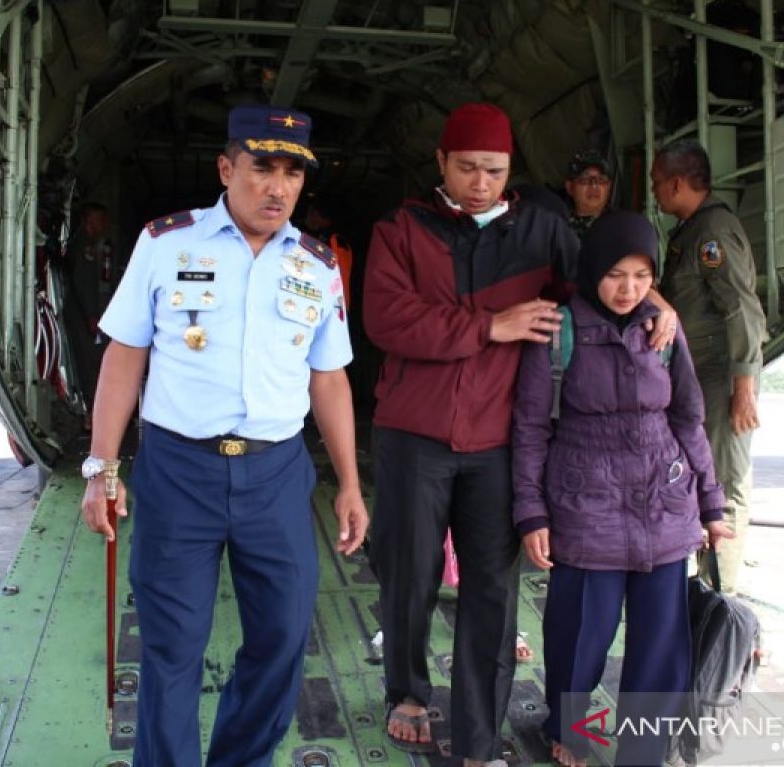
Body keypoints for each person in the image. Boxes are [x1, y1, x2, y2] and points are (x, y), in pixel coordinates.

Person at [363, 102, 677, 766]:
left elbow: (603, 280)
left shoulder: (540, 227)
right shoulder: (402, 230)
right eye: (469, 167)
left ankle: (479, 741)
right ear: (442, 163)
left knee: (492, 592)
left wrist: (654, 301)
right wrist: (490, 326)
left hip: (498, 440)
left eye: (495, 170)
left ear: (510, 171)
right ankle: (408, 692)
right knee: (409, 575)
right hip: (412, 435)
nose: (481, 182)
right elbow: (390, 321)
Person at [79, 104, 368, 767]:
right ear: (226, 168)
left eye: (292, 172)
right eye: (262, 167)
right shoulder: (166, 244)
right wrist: (101, 469)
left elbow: (330, 381)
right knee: (173, 646)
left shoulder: (318, 266)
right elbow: (125, 358)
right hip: (179, 471)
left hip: (275, 475)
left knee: (284, 637)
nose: (278, 186)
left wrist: (350, 483)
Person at [512, 211, 732, 767]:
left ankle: (643, 750)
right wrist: (532, 512)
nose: (627, 288)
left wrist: (711, 503)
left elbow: (689, 418)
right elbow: (532, 427)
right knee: (580, 636)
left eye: (640, 275)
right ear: (591, 271)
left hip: (664, 503)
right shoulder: (558, 330)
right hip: (587, 506)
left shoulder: (663, 329)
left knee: (659, 646)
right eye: (615, 274)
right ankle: (572, 729)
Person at [651, 139, 766, 595]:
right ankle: (703, 584)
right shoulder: (691, 231)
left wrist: (743, 387)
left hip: (723, 378)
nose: (656, 192)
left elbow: (741, 309)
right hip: (701, 377)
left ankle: (722, 594)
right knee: (704, 479)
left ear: (678, 183)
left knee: (726, 483)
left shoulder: (713, 230)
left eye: (659, 183)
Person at [63, 201, 115, 420]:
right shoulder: (83, 248)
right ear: (87, 220)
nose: (103, 225)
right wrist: (92, 314)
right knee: (88, 364)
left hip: (83, 314)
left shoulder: (89, 245)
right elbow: (83, 282)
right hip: (81, 316)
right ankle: (92, 414)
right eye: (99, 220)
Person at [564, 149, 613, 238]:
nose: (594, 185)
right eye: (584, 179)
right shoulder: (559, 230)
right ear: (570, 187)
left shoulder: (621, 226)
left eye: (601, 179)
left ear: (609, 186)